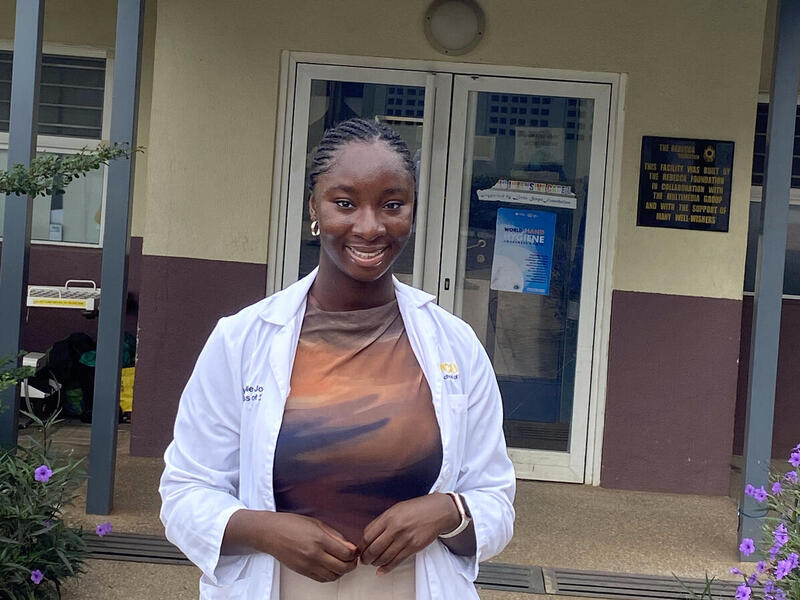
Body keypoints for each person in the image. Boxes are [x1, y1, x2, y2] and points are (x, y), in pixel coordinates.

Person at [159, 117, 516, 599]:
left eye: (393, 205)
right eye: (345, 204)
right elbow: (184, 492)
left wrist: (449, 512)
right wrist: (263, 530)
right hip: (280, 587)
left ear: (412, 210)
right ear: (314, 207)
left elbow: (495, 498)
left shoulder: (455, 344)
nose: (369, 227)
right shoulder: (241, 340)